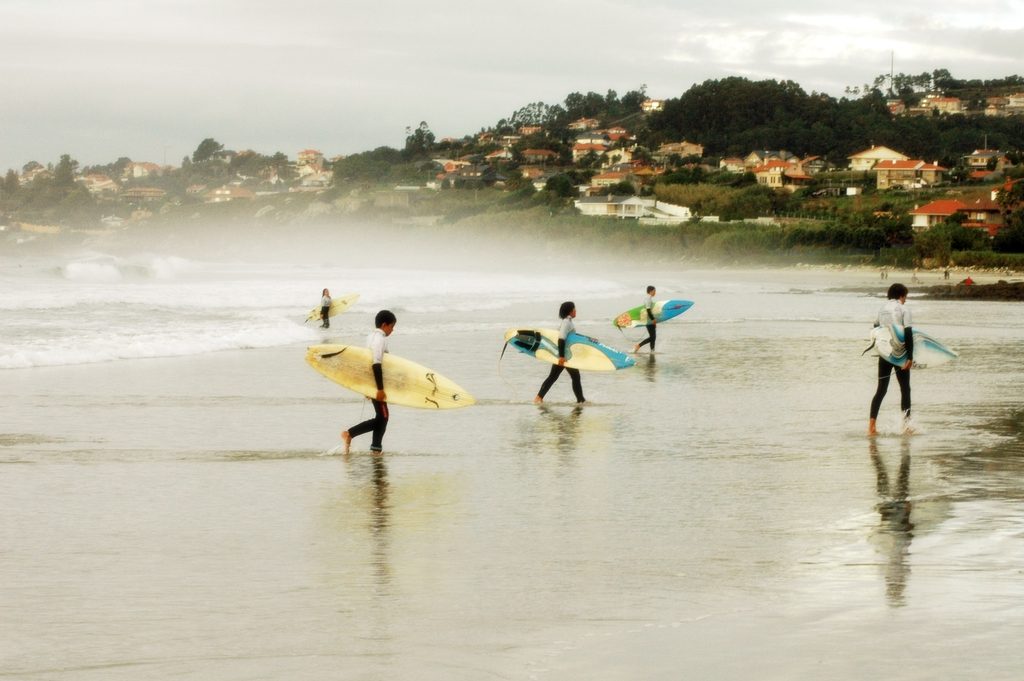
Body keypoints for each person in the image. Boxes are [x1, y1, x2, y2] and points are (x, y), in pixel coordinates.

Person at [341, 310, 397, 454]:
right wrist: (379, 389)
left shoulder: (371, 337)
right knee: (383, 417)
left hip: (370, 382)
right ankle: (350, 434)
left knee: (381, 417)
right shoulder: (381, 339)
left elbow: (366, 362)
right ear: (385, 325)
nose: (393, 330)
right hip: (376, 383)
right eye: (392, 326)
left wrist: (366, 387)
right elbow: (376, 363)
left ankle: (376, 449)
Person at [868, 283, 913, 436]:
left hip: (884, 353)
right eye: (905, 297)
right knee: (905, 389)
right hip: (900, 355)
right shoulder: (904, 309)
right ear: (901, 295)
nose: (905, 300)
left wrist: (879, 350)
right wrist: (910, 357)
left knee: (881, 390)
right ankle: (906, 426)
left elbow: (875, 330)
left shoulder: (881, 309)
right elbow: (907, 333)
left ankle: (871, 427)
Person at [534, 301, 585, 405]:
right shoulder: (567, 322)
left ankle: (539, 398)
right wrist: (561, 356)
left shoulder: (567, 321)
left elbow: (570, 337)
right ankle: (580, 401)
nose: (576, 311)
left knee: (555, 376)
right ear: (570, 311)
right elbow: (561, 338)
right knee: (568, 376)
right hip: (564, 355)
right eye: (574, 309)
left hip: (565, 355)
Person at [633, 285, 658, 354]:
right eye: (654, 291)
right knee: (652, 337)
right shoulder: (648, 299)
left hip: (649, 319)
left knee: (653, 337)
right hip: (649, 320)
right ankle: (638, 345)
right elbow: (648, 310)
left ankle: (652, 351)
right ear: (651, 291)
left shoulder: (648, 298)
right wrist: (653, 319)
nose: (655, 292)